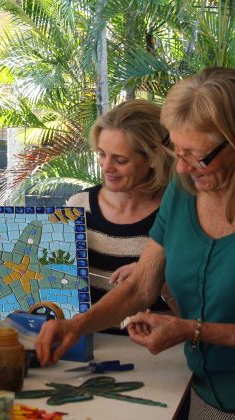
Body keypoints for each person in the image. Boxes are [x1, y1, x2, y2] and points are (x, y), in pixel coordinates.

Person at [36, 67, 235, 417]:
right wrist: (75, 326)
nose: (183, 168)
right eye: (177, 151)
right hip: (206, 394)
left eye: (198, 155)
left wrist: (191, 329)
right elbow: (143, 285)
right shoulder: (183, 190)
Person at [67, 99, 174, 315]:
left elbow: (195, 314)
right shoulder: (78, 206)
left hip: (158, 346)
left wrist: (158, 280)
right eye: (102, 154)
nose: (107, 167)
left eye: (120, 160)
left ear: (153, 158)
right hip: (90, 340)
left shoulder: (177, 213)